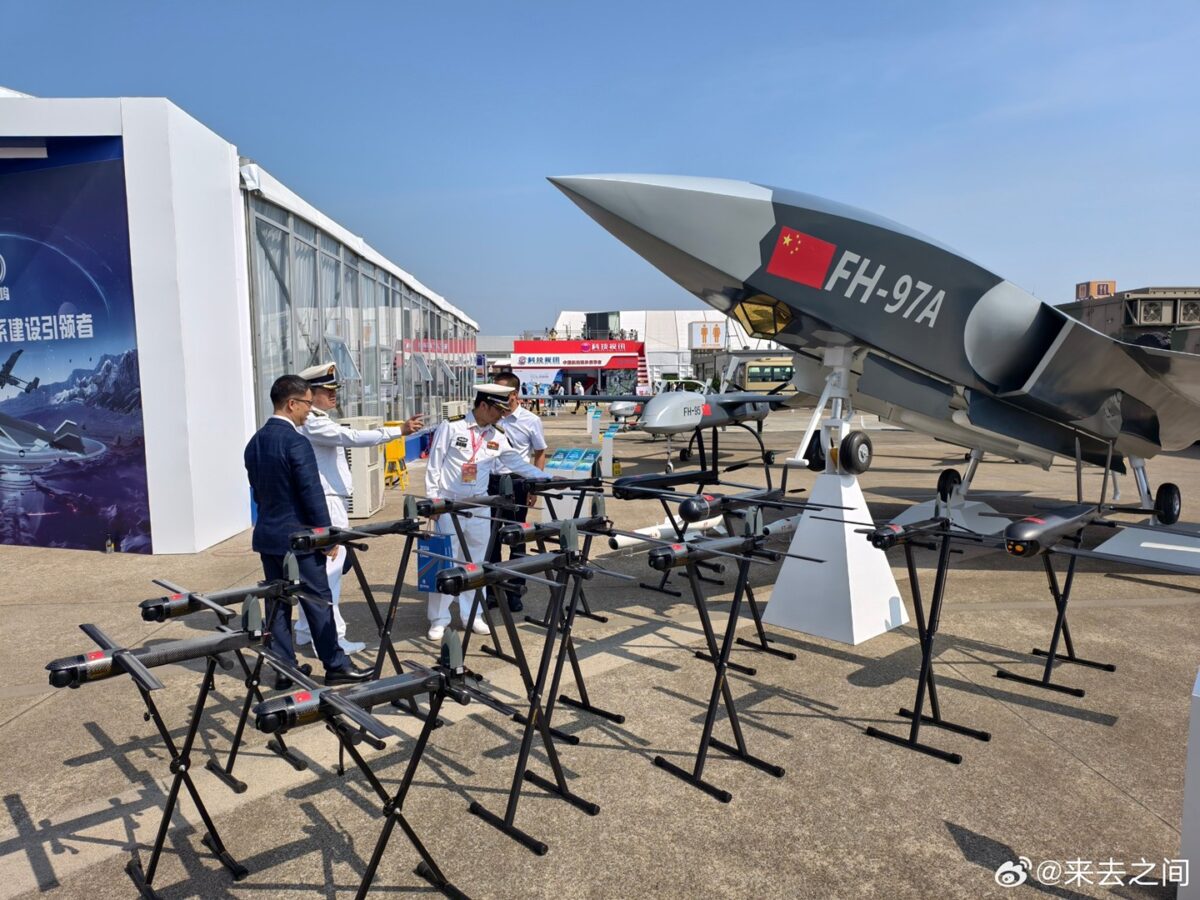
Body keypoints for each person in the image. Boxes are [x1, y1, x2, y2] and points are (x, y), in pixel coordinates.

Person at [244, 375, 370, 688]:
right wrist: (325, 536)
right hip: (300, 540)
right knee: (318, 600)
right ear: (291, 403)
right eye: (306, 405)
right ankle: (336, 664)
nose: (308, 412)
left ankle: (285, 669)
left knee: (278, 604)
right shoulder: (296, 441)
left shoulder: (255, 441)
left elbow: (260, 492)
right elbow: (310, 493)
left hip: (268, 536)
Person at [293, 362, 423, 655]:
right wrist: (396, 431)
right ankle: (332, 638)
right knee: (329, 573)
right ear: (310, 394)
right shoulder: (314, 421)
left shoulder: (316, 419)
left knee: (317, 572)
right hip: (327, 502)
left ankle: (306, 630)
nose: (333, 396)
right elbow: (351, 438)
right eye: (328, 391)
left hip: (329, 499)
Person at [424, 383, 556, 641]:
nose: (502, 415)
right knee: (446, 560)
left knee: (476, 562)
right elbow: (434, 464)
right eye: (498, 409)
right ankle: (438, 619)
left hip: (480, 506)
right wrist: (433, 501)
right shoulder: (452, 426)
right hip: (450, 505)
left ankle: (473, 614)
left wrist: (546, 477)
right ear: (483, 405)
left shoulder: (496, 433)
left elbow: (514, 462)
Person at [487, 372, 548, 613]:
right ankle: (492, 590)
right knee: (490, 539)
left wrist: (535, 485)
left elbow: (540, 452)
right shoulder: (490, 417)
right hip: (490, 482)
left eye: (501, 393)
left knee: (516, 538)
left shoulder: (530, 420)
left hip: (517, 483)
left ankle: (515, 590)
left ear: (514, 394)